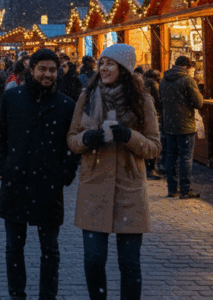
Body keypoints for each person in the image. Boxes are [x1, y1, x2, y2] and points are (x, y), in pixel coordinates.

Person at [67, 44, 161, 300]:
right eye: (102, 63)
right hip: (94, 187)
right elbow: (72, 139)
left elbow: (154, 147)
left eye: (111, 63)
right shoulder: (86, 97)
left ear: (125, 68)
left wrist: (129, 136)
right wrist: (88, 139)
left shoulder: (142, 101)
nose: (104, 68)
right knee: (94, 260)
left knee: (129, 264)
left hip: (129, 191)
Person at [0, 48, 78, 300]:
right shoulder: (12, 99)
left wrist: (65, 174)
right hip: (15, 182)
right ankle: (17, 294)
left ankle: (47, 296)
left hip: (49, 185)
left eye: (52, 69)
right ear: (32, 70)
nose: (48, 74)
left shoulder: (65, 105)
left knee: (50, 248)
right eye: (43, 69)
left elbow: (71, 146)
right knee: (14, 247)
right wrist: (1, 168)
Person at [159, 55, 204, 199]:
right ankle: (185, 189)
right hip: (185, 124)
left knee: (170, 156)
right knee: (185, 158)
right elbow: (199, 102)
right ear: (187, 66)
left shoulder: (164, 79)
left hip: (169, 123)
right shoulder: (187, 80)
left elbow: (162, 101)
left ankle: (172, 189)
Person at [142, 69, 164, 180]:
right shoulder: (153, 84)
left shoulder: (144, 82)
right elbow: (158, 100)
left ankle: (148, 168)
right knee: (154, 141)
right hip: (153, 115)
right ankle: (151, 169)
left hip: (146, 116)